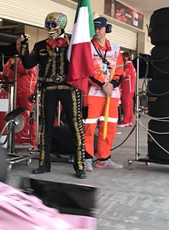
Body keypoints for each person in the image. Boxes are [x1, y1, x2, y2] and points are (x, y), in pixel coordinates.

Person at [21, 12, 86, 179]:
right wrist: (23, 47)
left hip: (69, 88)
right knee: (45, 126)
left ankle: (79, 165)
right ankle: (44, 163)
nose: (49, 29)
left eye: (53, 25)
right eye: (47, 25)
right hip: (48, 88)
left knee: (75, 125)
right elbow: (29, 63)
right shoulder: (40, 45)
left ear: (62, 26)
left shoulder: (73, 43)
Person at [84, 17, 124, 170]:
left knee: (109, 126)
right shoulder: (87, 47)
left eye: (100, 28)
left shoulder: (115, 48)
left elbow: (119, 70)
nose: (97, 31)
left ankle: (104, 159)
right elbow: (86, 71)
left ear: (106, 29)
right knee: (89, 126)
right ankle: (87, 158)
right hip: (94, 93)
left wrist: (112, 84)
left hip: (112, 95)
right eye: (95, 28)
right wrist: (102, 85)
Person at [3, 35, 37, 146]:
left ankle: (31, 143)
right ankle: (16, 141)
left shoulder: (31, 57)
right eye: (17, 44)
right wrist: (15, 68)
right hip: (13, 91)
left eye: (21, 44)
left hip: (27, 92)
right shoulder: (13, 58)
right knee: (13, 116)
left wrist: (15, 67)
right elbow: (6, 72)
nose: (19, 46)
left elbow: (28, 69)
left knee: (29, 117)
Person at [120, 51, 136, 127]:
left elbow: (123, 75)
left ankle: (126, 121)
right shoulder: (130, 65)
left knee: (126, 104)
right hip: (129, 88)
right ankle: (129, 120)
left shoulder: (128, 66)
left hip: (127, 88)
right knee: (129, 104)